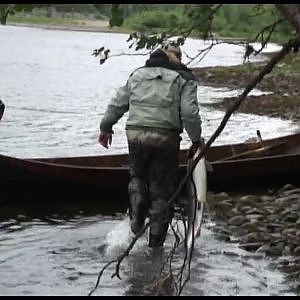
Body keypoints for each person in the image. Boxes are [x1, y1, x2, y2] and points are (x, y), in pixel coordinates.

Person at [98, 42, 203, 247]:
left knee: (137, 176)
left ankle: (137, 210)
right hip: (165, 138)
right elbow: (190, 114)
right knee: (162, 192)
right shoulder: (184, 78)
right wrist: (196, 140)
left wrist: (106, 127)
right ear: (178, 58)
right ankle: (155, 247)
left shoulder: (137, 74)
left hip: (135, 135)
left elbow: (117, 103)